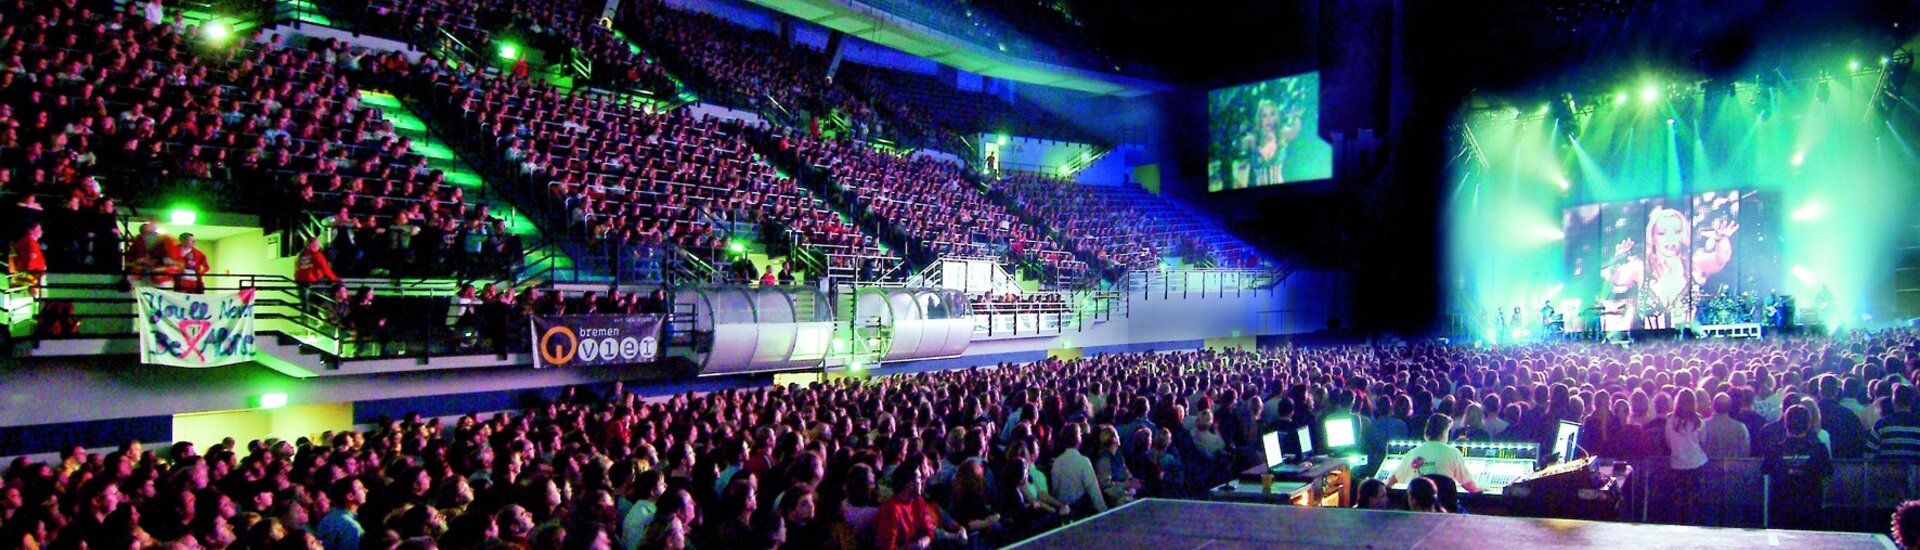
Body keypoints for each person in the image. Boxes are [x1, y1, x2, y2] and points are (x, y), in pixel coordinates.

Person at [1604, 206, 1737, 329]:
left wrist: (1722, 240)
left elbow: (1721, 259)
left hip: (1688, 345)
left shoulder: (1695, 264)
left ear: (1683, 234)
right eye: (1662, 233)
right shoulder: (1640, 268)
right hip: (1648, 345)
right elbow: (1612, 277)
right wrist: (1617, 260)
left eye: (1677, 232)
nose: (1670, 239)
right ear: (1652, 236)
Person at [1764, 405, 1832, 530]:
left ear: (1786, 424)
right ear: (1808, 425)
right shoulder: (1819, 449)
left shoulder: (1774, 450)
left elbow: (1765, 470)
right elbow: (1828, 471)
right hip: (1810, 509)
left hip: (1781, 510)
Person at [1389, 415, 1480, 494]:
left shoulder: (1413, 453)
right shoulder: (1453, 453)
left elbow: (1391, 481)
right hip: (1444, 508)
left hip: (1417, 509)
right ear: (1444, 432)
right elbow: (1469, 486)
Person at [1664, 389, 1709, 524]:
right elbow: (1704, 441)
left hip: (1677, 464)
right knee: (1695, 499)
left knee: (1679, 501)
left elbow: (1668, 442)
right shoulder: (1699, 422)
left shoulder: (1670, 422)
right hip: (1696, 463)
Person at [1049, 425, 1108, 517]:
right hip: (1080, 511)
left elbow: (1055, 490)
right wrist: (1104, 511)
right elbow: (1093, 489)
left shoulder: (1057, 462)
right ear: (1078, 439)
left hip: (1064, 511)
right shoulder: (1083, 461)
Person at [1869, 384, 1920, 464]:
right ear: (1912, 401)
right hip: (1914, 474)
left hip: (1886, 474)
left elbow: (1868, 455)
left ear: (1894, 401)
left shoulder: (1881, 425)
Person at [1701, 392, 1751, 459]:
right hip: (1733, 467)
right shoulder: (1741, 427)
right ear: (1730, 407)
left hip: (1709, 466)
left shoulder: (1703, 425)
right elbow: (1746, 449)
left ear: (1713, 406)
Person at [9, 223, 46, 291]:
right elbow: (28, 266)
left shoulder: (26, 243)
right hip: (30, 281)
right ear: (30, 230)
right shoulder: (29, 244)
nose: (41, 231)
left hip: (31, 278)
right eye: (39, 229)